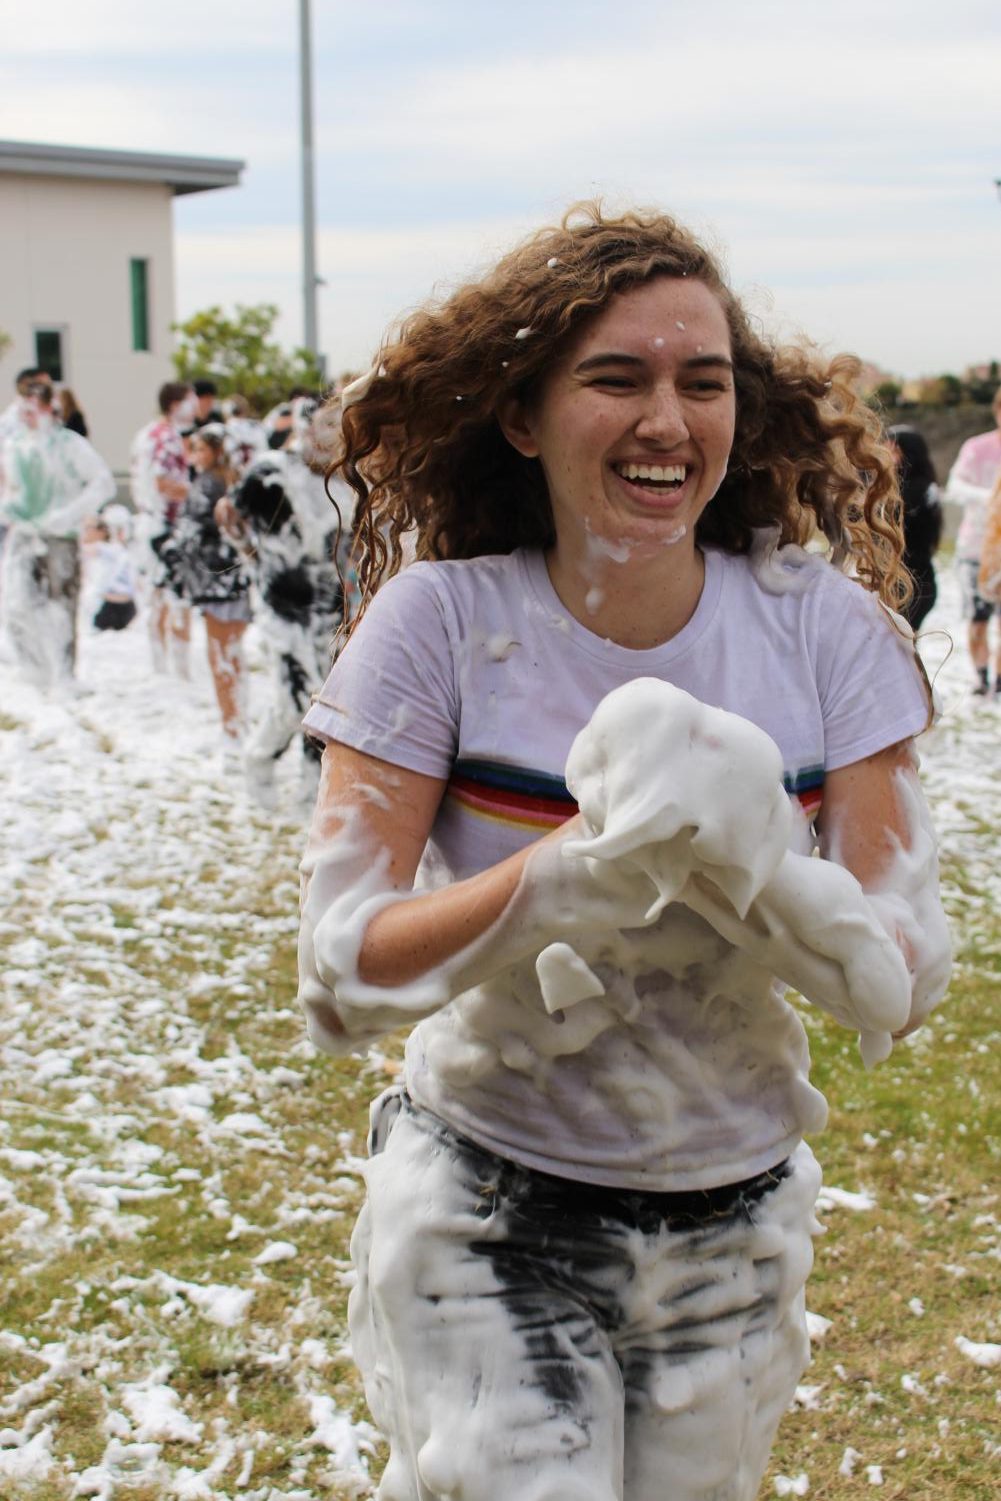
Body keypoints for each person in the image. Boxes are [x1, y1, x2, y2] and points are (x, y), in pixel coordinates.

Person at [296, 205, 951, 1501]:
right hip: (488, 1210)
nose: (667, 419)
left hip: (736, 1229)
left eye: (702, 383)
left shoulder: (826, 635)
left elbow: (902, 966)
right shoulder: (436, 625)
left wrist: (757, 867)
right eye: (617, 377)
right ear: (524, 416)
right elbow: (343, 966)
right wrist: (566, 880)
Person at [217, 398, 350, 804]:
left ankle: (313, 792)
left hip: (329, 609)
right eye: (325, 431)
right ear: (305, 429)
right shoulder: (271, 471)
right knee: (295, 702)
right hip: (282, 606)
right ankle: (257, 766)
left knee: (325, 705)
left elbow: (352, 544)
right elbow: (228, 513)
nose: (330, 441)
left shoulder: (343, 480)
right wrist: (254, 559)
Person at [0, 380, 115, 687]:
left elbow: (103, 483)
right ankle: (34, 671)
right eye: (22, 408)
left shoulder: (69, 444)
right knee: (16, 603)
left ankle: (63, 675)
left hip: (60, 536)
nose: (26, 415)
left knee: (60, 607)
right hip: (24, 533)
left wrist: (69, 514)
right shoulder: (15, 445)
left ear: (50, 408)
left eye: (32, 408)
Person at [160, 424, 252, 761]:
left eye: (198, 449)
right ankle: (237, 722)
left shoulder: (207, 484)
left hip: (215, 580)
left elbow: (189, 531)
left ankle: (232, 728)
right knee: (233, 655)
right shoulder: (235, 480)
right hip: (236, 577)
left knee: (220, 657)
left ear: (214, 451)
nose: (192, 455)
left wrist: (169, 555)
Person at [130, 381, 195, 674]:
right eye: (190, 400)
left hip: (149, 522)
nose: (195, 406)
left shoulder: (147, 434)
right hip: (165, 525)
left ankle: (161, 664)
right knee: (175, 597)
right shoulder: (167, 438)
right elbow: (163, 483)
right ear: (175, 404)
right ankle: (175, 667)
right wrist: (197, 494)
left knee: (157, 595)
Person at [945, 386, 1001, 694]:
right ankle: (980, 675)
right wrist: (991, 498)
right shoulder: (977, 448)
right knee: (979, 618)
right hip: (976, 547)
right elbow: (955, 486)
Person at [886, 424, 942, 631]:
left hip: (912, 584)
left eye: (890, 448)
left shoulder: (919, 490)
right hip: (905, 582)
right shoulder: (908, 488)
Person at [83, 508, 138, 631]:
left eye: (89, 528)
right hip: (126, 607)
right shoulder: (120, 550)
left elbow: (83, 549)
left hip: (112, 609)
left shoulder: (109, 549)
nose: (86, 532)